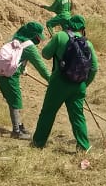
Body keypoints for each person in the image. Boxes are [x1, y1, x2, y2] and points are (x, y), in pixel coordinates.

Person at [31, 14, 98, 152]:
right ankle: (84, 147)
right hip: (79, 85)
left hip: (59, 82)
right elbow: (94, 68)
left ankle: (38, 143)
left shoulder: (60, 36)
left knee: (48, 113)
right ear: (83, 29)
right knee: (78, 116)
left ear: (68, 25)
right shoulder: (88, 43)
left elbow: (45, 54)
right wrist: (84, 84)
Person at [0, 21, 50, 140]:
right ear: (33, 35)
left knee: (14, 100)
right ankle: (16, 132)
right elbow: (41, 67)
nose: (39, 40)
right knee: (15, 101)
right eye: (38, 37)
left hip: (2, 74)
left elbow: (17, 58)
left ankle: (19, 126)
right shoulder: (29, 46)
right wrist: (52, 81)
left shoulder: (16, 39)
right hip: (9, 76)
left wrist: (22, 69)